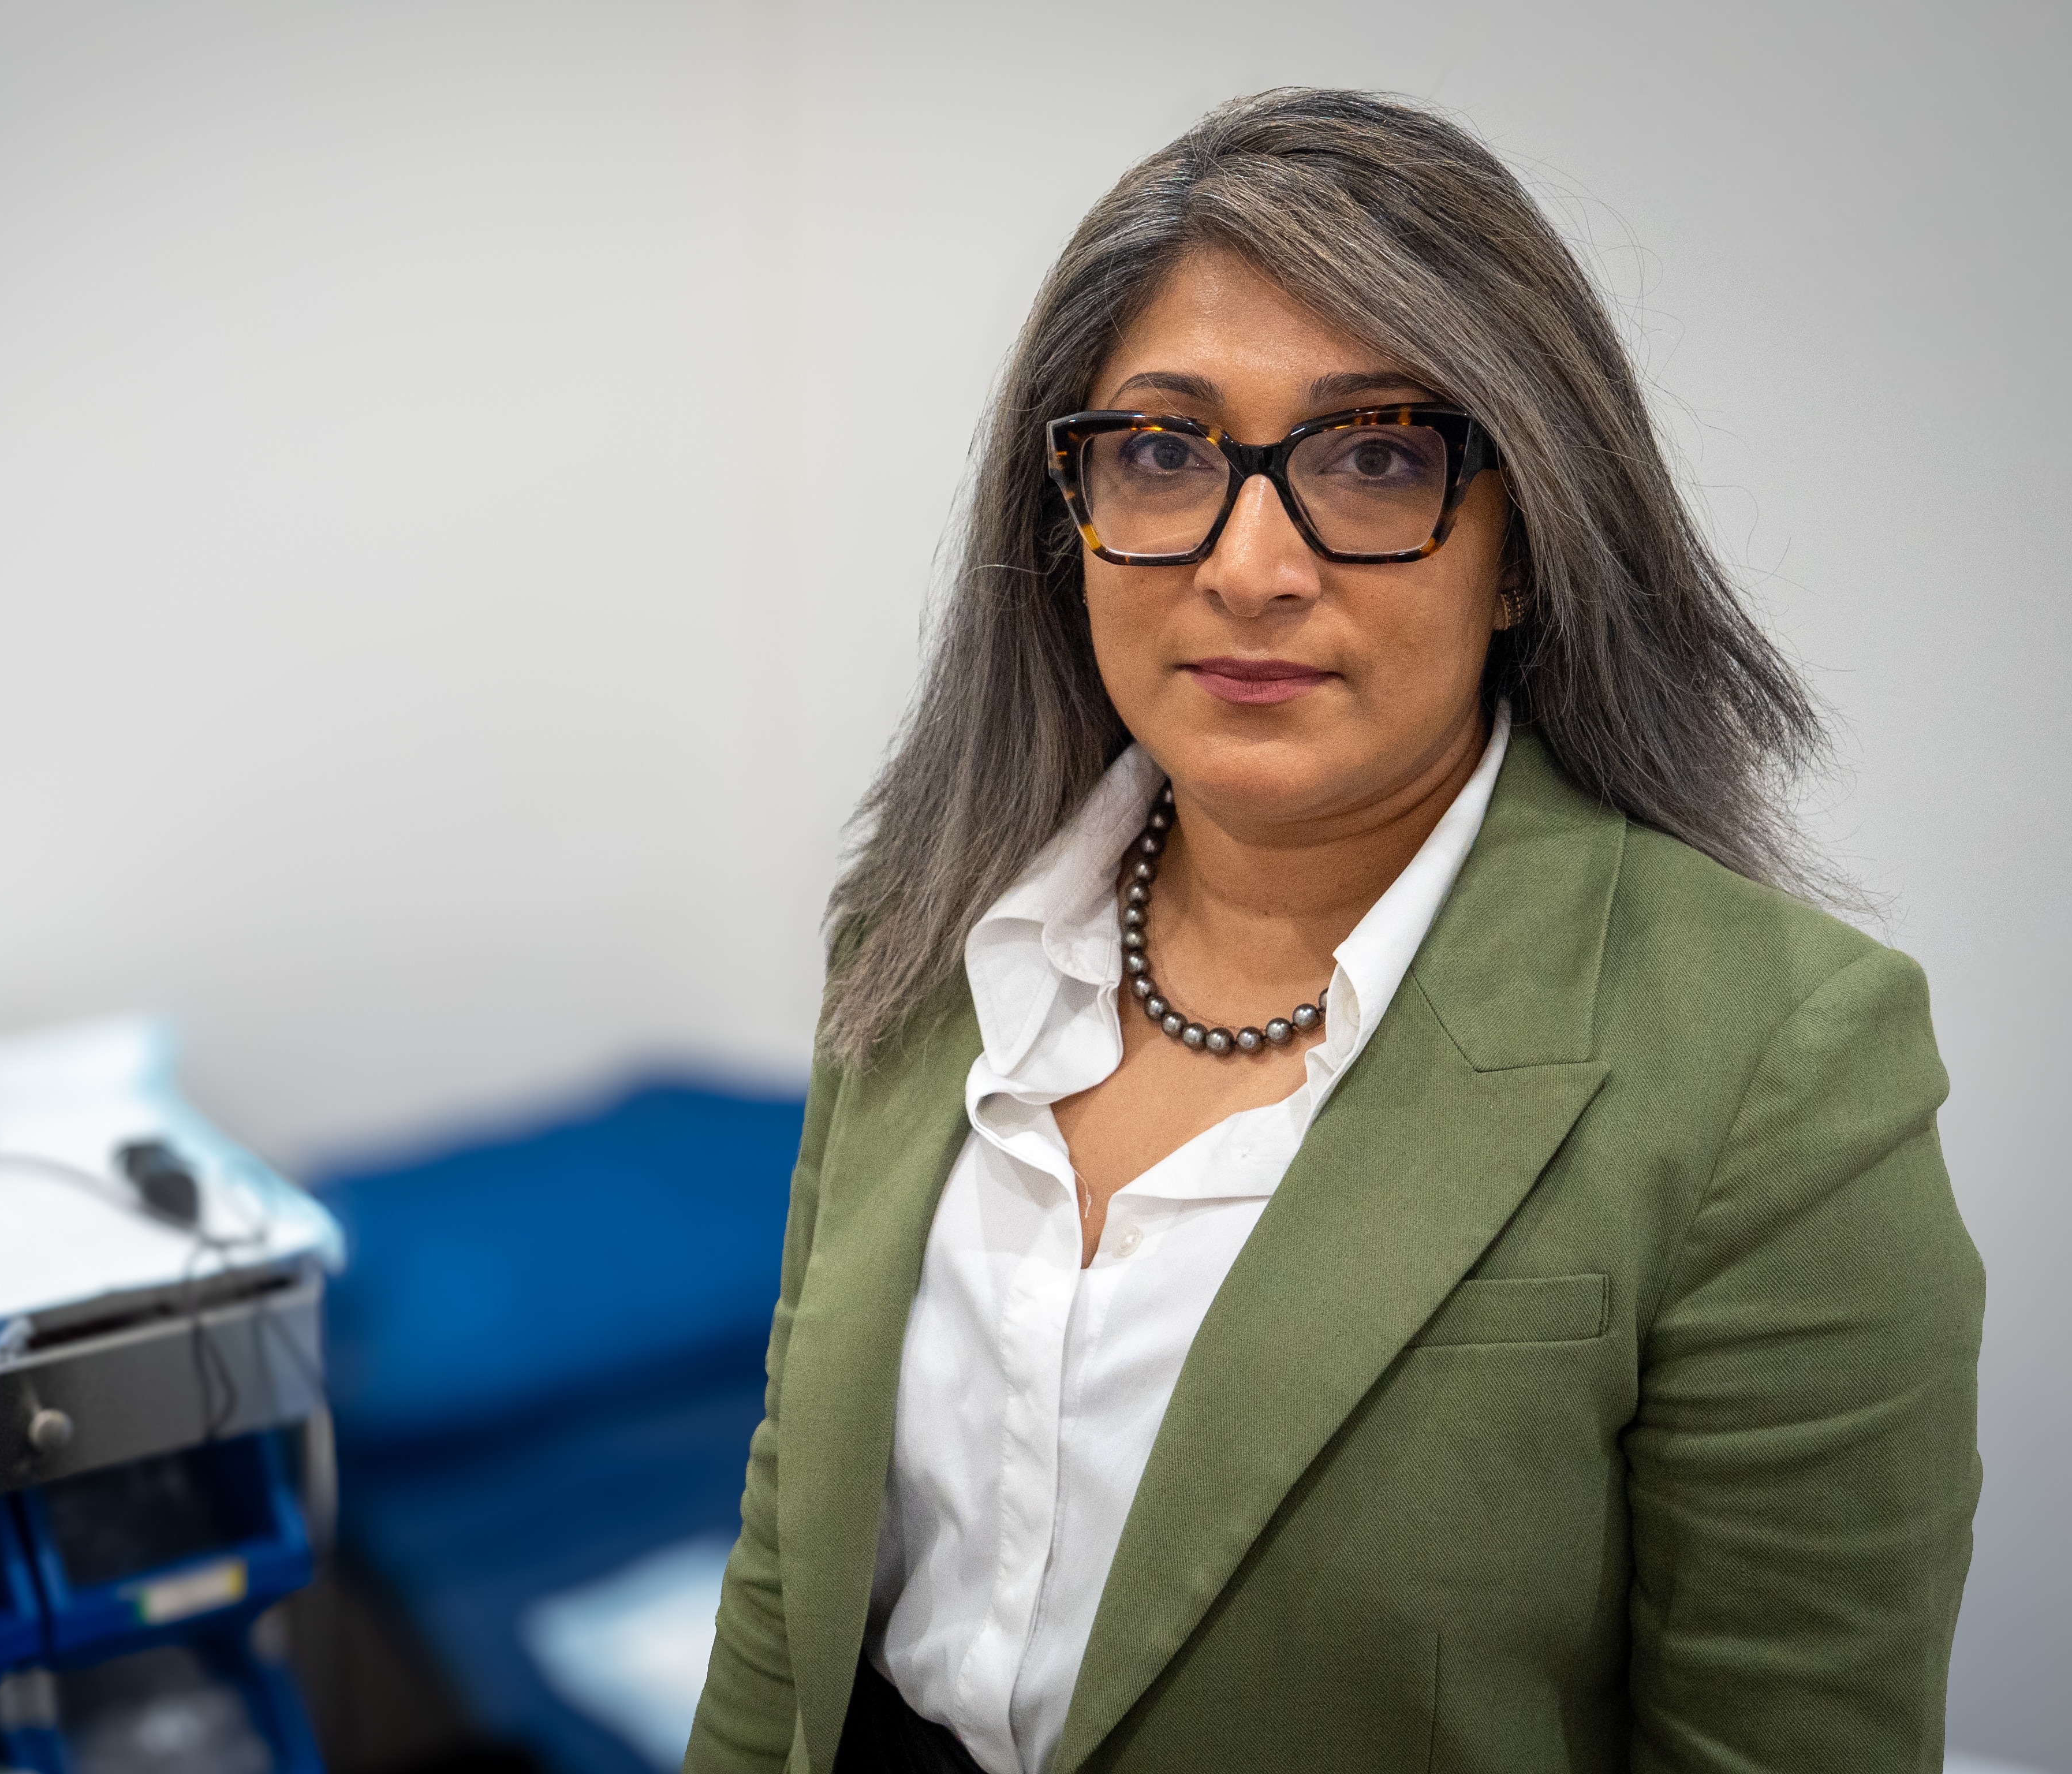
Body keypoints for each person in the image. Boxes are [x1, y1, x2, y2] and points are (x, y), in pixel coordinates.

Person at [684, 88, 1981, 1774]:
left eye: (1375, 457)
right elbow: (788, 1573)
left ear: (1525, 548)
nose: (1250, 566)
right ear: (1066, 517)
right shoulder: (925, 933)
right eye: (1163, 454)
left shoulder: (1782, 1062)